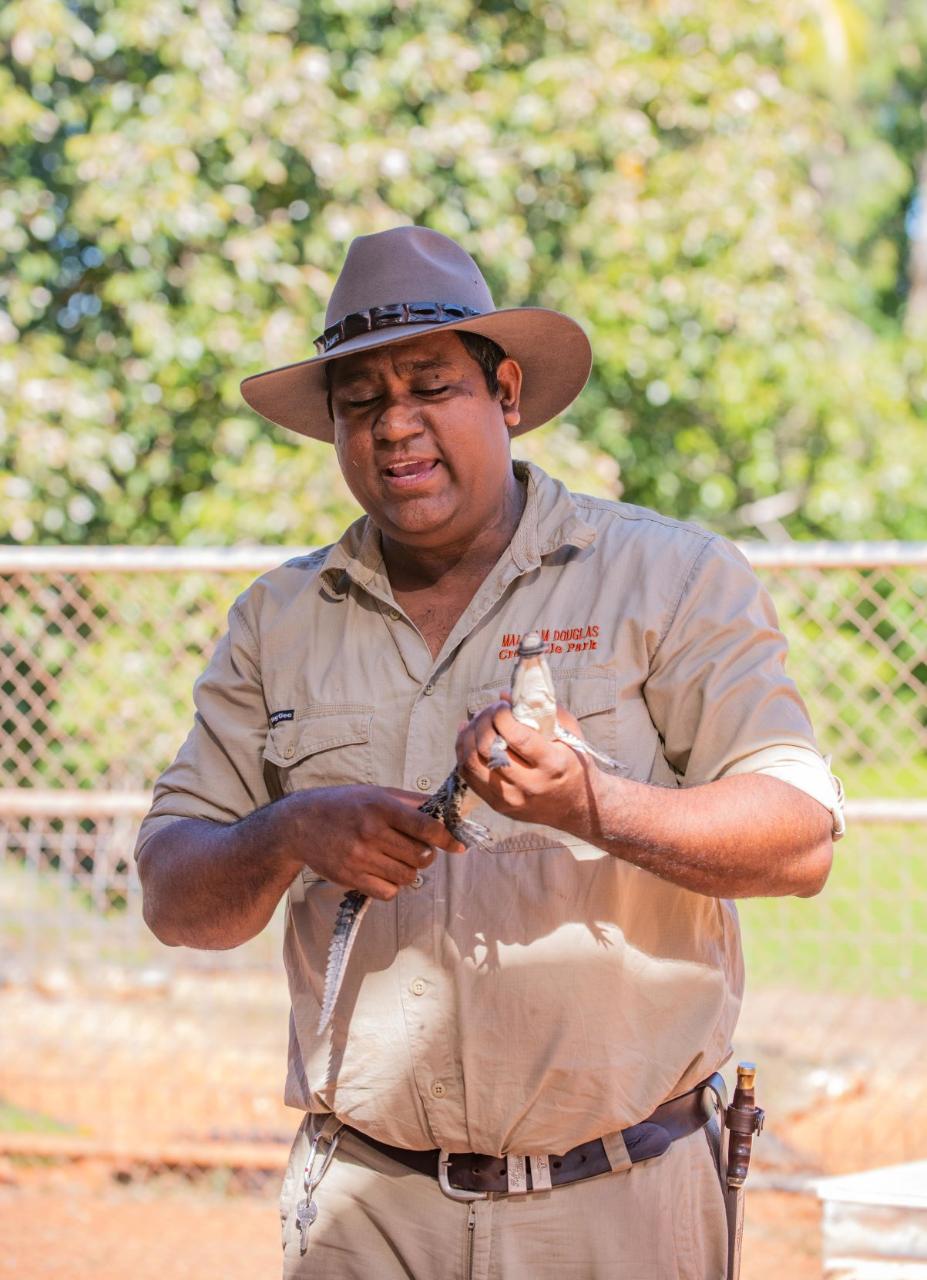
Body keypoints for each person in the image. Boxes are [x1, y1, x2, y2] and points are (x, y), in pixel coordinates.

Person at [135, 225, 844, 1280]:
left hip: (620, 1203)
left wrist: (595, 803)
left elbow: (799, 842)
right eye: (361, 401)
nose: (396, 427)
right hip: (366, 1212)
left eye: (430, 385)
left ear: (506, 392)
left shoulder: (668, 577)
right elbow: (172, 891)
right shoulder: (278, 621)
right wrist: (289, 830)